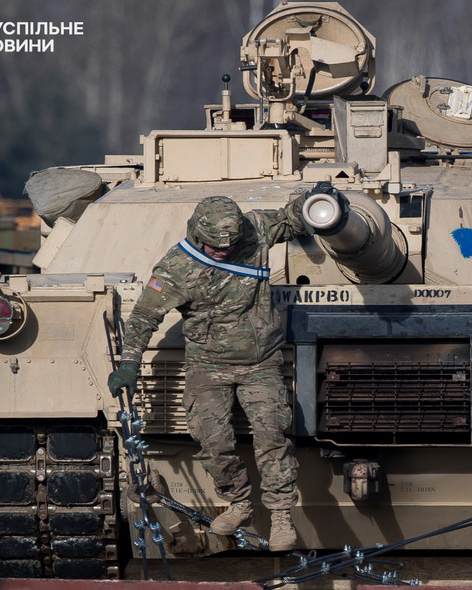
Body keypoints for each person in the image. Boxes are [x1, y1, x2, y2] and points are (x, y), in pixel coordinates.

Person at [108, 194, 316, 551]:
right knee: (211, 440)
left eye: (230, 246)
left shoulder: (255, 230)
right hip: (208, 365)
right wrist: (129, 363)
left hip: (260, 362)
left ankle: (281, 516)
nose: (223, 251)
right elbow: (143, 317)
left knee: (271, 434)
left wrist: (317, 199)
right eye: (215, 246)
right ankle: (239, 502)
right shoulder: (176, 267)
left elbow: (292, 218)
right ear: (196, 233)